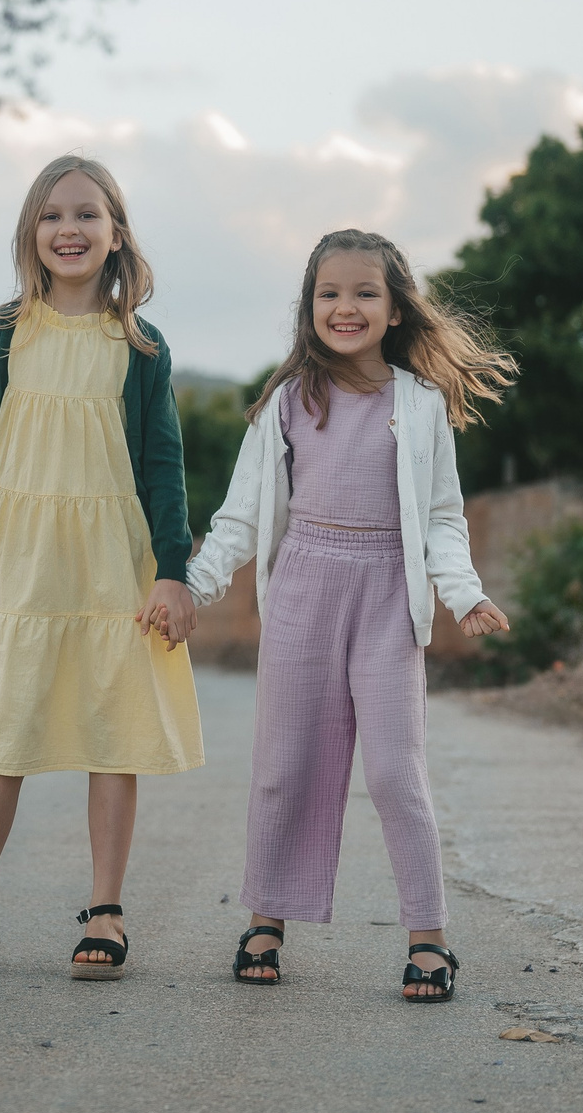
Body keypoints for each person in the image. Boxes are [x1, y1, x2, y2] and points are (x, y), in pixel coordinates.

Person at [178, 229, 513, 1001]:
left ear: (395, 309)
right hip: (303, 588)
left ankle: (429, 936)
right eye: (329, 293)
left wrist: (463, 592)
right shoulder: (289, 400)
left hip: (387, 594)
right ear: (310, 306)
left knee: (397, 770)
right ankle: (267, 920)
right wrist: (195, 586)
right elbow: (241, 515)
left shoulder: (421, 404)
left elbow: (442, 517)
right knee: (285, 767)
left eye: (365, 292)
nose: (346, 306)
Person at [0, 154, 201, 983]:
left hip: (113, 564)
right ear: (31, 233)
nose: (69, 229)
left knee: (109, 731)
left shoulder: (141, 347)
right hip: (22, 562)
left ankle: (106, 910)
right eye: (51, 215)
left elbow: (164, 464)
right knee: (6, 734)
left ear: (116, 233)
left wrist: (171, 568)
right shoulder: (3, 335)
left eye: (87, 213)